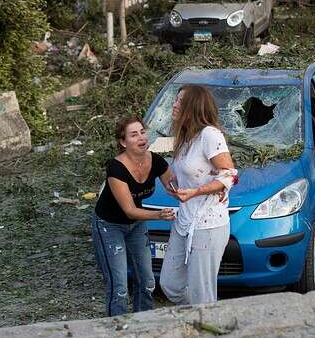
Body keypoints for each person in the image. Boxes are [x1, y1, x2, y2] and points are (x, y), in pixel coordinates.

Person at [160, 85, 238, 305]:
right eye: (175, 100)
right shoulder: (186, 138)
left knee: (202, 294)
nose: (174, 105)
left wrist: (197, 191)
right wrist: (174, 185)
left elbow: (230, 175)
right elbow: (191, 173)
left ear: (193, 106)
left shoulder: (210, 135)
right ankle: (201, 315)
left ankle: (204, 322)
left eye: (180, 101)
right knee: (170, 284)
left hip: (208, 225)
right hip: (184, 222)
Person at [92, 116, 176, 317]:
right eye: (133, 134)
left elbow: (176, 187)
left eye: (142, 132)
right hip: (110, 226)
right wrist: (159, 215)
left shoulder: (155, 160)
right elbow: (129, 210)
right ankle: (119, 329)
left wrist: (207, 183)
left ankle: (143, 325)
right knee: (119, 287)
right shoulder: (116, 167)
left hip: (136, 225)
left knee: (147, 282)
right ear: (123, 143)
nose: (141, 137)